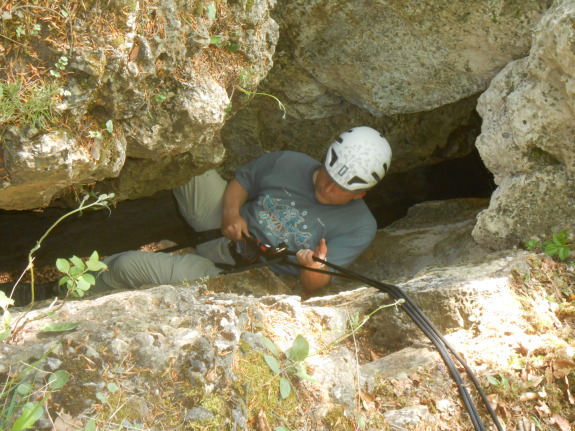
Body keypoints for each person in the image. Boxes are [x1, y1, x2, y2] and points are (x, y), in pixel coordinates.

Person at [93, 126, 392, 295]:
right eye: (328, 176)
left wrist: (314, 269)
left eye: (341, 188)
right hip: (222, 227)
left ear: (360, 195)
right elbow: (243, 181)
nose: (327, 188)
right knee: (188, 162)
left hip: (239, 274)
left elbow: (314, 286)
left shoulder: (359, 227)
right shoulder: (291, 162)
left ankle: (75, 288)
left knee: (123, 267)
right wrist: (231, 214)